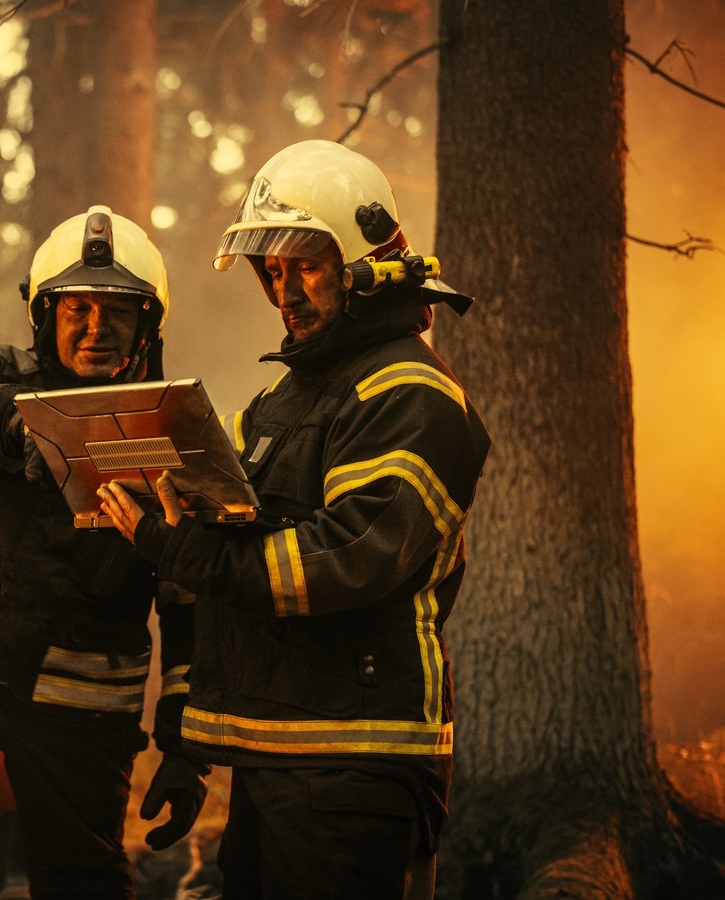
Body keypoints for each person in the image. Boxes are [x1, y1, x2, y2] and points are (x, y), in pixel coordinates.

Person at [98, 140, 491, 899]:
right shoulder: (293, 400)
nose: (286, 291)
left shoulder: (412, 395)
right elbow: (216, 494)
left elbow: (340, 561)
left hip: (357, 762)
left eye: (305, 264)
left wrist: (178, 548)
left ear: (364, 259)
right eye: (272, 271)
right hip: (278, 751)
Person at [0, 205, 206, 897]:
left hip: (83, 700)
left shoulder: (170, 431)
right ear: (43, 315)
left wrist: (184, 744)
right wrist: (12, 420)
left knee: (84, 880)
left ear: (147, 326)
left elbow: (191, 600)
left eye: (117, 313)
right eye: (77, 310)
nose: (95, 329)